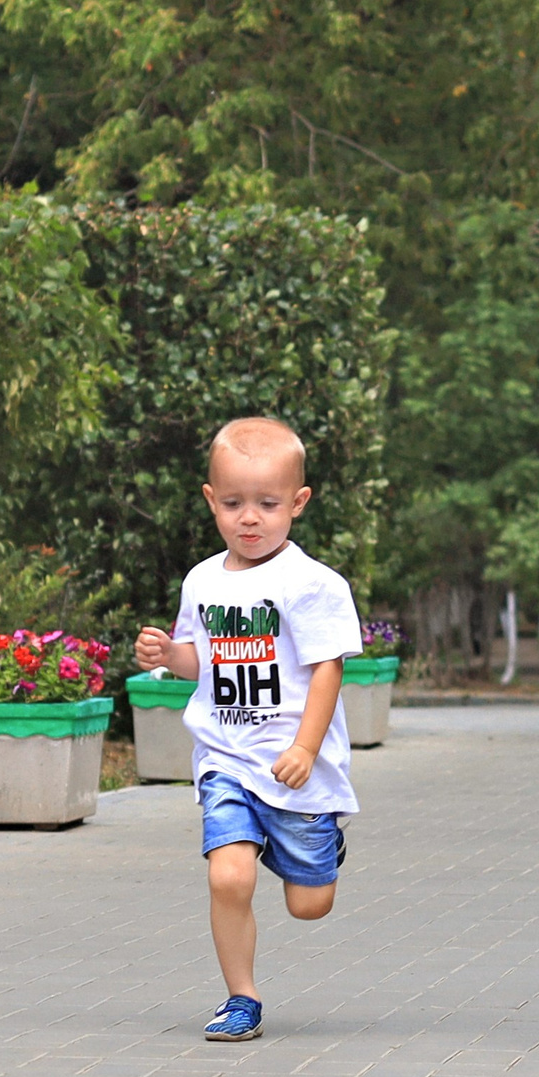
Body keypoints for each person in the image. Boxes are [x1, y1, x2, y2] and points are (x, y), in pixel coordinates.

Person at [134, 416, 363, 1043]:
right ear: (211, 500)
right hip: (226, 757)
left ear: (298, 502)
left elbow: (328, 669)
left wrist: (306, 748)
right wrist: (168, 655)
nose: (250, 518)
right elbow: (198, 660)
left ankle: (320, 846)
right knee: (229, 876)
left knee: (309, 905)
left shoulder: (312, 584)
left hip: (293, 766)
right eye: (233, 503)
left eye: (267, 503)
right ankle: (242, 998)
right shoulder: (203, 580)